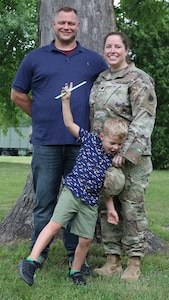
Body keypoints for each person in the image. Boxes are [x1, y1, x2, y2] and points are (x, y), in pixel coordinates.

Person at [11, 6, 108, 274]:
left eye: (71, 23)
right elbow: (17, 94)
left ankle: (74, 258)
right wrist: (41, 116)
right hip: (46, 143)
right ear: (53, 24)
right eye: (62, 22)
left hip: (82, 146)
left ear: (79, 26)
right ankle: (37, 256)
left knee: (77, 203)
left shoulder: (93, 60)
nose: (66, 26)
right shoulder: (35, 58)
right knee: (45, 202)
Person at [19, 83, 128, 286]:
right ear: (102, 136)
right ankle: (30, 261)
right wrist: (66, 101)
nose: (115, 148)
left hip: (89, 202)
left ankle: (75, 271)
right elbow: (69, 123)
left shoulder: (109, 161)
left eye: (119, 145)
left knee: (85, 240)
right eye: (112, 143)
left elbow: (107, 188)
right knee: (54, 225)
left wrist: (111, 209)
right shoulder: (89, 140)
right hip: (72, 192)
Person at [90, 31, 157, 282]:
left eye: (117, 46)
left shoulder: (139, 79)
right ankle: (112, 260)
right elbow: (96, 119)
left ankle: (134, 262)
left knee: (131, 207)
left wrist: (126, 153)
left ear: (126, 50)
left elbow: (144, 118)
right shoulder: (101, 79)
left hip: (133, 158)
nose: (112, 50)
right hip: (105, 154)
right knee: (107, 206)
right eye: (108, 46)